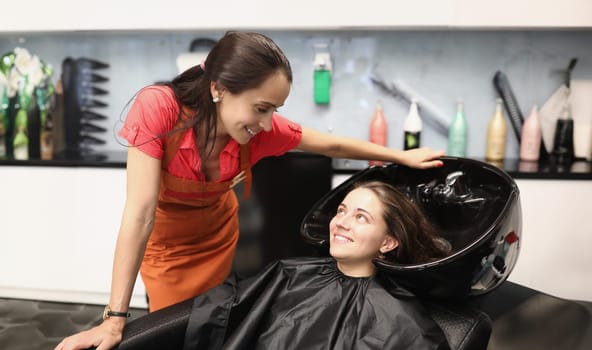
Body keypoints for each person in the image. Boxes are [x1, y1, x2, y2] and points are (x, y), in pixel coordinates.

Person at [55, 31, 445, 350]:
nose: (268, 122)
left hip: (219, 237)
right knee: (171, 326)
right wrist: (114, 318)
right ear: (220, 89)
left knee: (213, 320)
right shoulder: (158, 108)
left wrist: (400, 155)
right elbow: (140, 213)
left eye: (275, 109)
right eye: (261, 108)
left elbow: (333, 145)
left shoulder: (259, 131)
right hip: (168, 245)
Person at [182, 180, 452, 349]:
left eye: (361, 217)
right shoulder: (289, 274)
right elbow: (225, 310)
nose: (341, 222)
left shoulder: (398, 317)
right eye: (342, 211)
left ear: (388, 243)